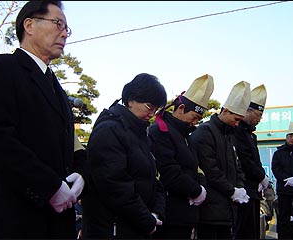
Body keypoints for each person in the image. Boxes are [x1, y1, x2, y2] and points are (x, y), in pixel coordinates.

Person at [0, 1, 86, 238]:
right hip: (17, 220)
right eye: (57, 23)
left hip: (59, 221)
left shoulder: (58, 88)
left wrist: (81, 173)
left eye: (67, 29)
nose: (64, 33)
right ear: (29, 25)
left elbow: (69, 141)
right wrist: (49, 186)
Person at [81, 73, 167, 239]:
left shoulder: (140, 133)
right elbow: (114, 184)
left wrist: (157, 213)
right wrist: (146, 219)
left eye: (156, 110)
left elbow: (154, 178)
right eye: (149, 107)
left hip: (138, 225)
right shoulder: (110, 130)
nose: (152, 114)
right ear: (130, 100)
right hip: (113, 228)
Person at [148, 74, 214, 239]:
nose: (195, 122)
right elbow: (168, 171)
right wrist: (196, 190)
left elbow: (197, 167)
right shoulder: (160, 131)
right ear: (181, 108)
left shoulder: (186, 136)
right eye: (194, 117)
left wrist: (202, 188)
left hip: (187, 214)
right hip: (170, 215)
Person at [190, 81, 251, 239]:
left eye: (240, 121)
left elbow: (237, 166)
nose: (237, 124)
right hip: (209, 211)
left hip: (227, 210)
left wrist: (240, 186)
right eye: (235, 119)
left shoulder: (229, 135)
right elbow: (210, 169)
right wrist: (232, 191)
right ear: (225, 110)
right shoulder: (205, 132)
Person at [233, 84, 270, 239]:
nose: (259, 119)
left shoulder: (251, 134)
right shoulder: (238, 131)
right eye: (257, 115)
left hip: (254, 190)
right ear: (247, 111)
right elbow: (245, 160)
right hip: (243, 189)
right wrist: (261, 176)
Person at [271, 122, 293, 240]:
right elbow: (276, 169)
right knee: (283, 218)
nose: (292, 138)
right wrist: (286, 179)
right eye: (290, 136)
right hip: (284, 190)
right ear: (286, 137)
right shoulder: (278, 153)